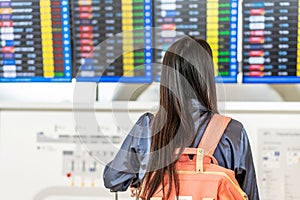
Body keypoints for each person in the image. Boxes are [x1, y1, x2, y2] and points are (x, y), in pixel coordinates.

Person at [103, 36, 260, 200]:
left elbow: (113, 180)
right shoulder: (232, 131)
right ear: (206, 77)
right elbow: (249, 194)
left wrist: (142, 174)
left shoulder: (148, 126)